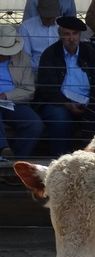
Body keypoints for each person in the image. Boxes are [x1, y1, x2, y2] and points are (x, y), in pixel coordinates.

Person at [35, 16, 95, 156]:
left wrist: (92, 101)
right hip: (58, 102)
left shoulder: (89, 51)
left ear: (80, 35)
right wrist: (66, 104)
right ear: (60, 35)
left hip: (88, 101)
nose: (71, 38)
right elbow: (47, 88)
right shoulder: (50, 54)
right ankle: (59, 160)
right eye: (67, 34)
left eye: (75, 33)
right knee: (60, 119)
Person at [0, 25, 44, 159]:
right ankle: (3, 150)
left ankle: (16, 161)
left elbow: (29, 90)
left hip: (12, 102)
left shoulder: (23, 58)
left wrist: (6, 95)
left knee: (35, 124)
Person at [19, 0, 61, 74]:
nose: (50, 19)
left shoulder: (62, 25)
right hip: (35, 72)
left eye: (52, 16)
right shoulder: (26, 27)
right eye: (46, 17)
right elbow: (25, 58)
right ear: (38, 11)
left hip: (60, 71)